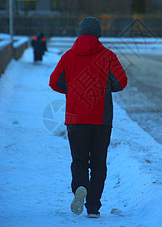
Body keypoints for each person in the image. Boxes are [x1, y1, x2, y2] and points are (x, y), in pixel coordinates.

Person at [49, 17, 127, 218]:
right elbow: (121, 81)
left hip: (75, 118)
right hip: (102, 119)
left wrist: (73, 89)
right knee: (99, 162)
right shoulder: (108, 56)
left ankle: (80, 188)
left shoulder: (68, 56)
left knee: (79, 160)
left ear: (80, 33)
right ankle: (93, 207)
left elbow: (54, 82)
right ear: (98, 34)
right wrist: (106, 86)